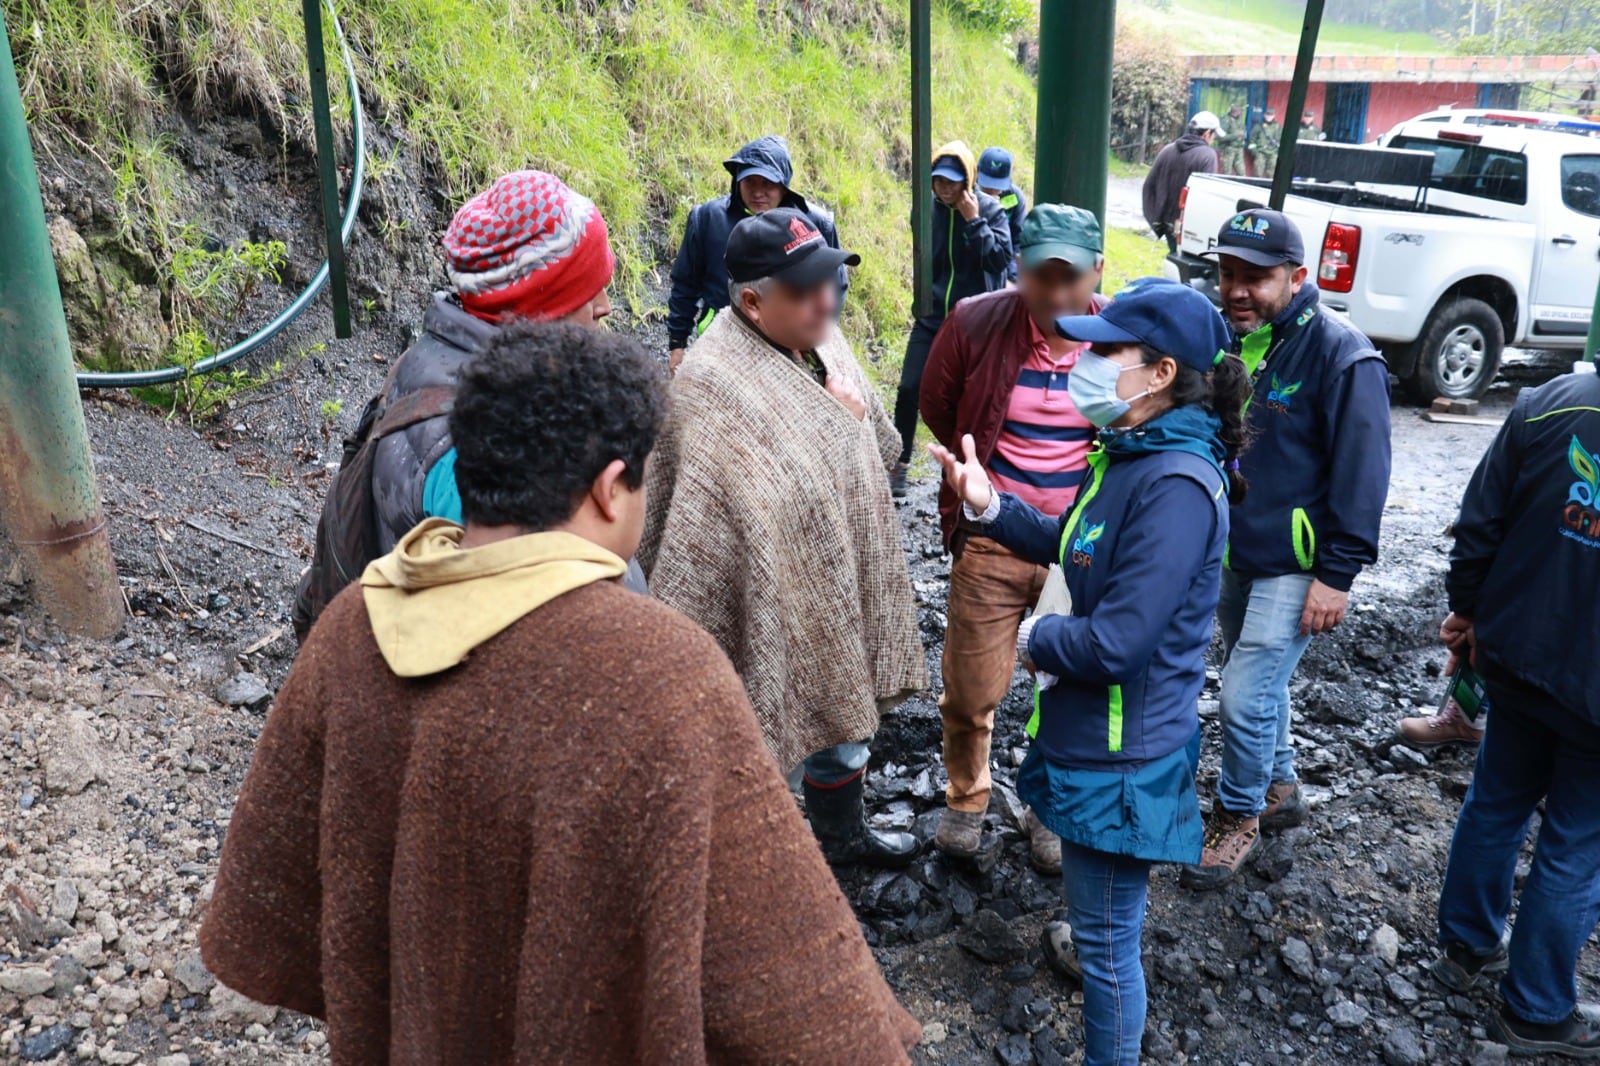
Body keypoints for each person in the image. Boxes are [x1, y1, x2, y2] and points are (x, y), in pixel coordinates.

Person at [202, 322, 922, 1064]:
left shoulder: (353, 626)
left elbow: (269, 894)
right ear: (610, 489)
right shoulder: (661, 672)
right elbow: (788, 976)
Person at [930, 278, 1250, 1066]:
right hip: (1095, 740)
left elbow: (1117, 644)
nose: (1087, 360)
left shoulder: (1175, 486)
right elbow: (1077, 542)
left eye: (1108, 349)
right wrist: (989, 505)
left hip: (1121, 760)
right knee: (1105, 930)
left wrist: (1034, 636)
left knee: (1107, 950)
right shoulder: (1128, 454)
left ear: (1161, 373)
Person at [641, 208, 928, 869]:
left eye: (830, 280)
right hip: (766, 587)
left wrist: (850, 425)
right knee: (760, 726)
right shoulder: (710, 382)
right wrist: (838, 425)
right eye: (806, 289)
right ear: (751, 301)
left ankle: (842, 838)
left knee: (843, 710)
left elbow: (870, 446)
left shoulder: (821, 336)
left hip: (831, 573)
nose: (827, 300)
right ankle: (760, 860)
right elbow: (728, 520)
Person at [293, 169, 632, 637]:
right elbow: (525, 633)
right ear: (537, 309)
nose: (605, 305)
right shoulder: (479, 447)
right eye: (587, 290)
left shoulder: (433, 358)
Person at [1181, 209, 1392, 891]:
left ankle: (1237, 815)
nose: (1237, 289)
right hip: (1234, 549)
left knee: (1243, 694)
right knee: (1259, 683)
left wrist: (1338, 574)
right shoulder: (1229, 341)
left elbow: (1364, 472)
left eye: (1256, 277)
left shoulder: (1341, 355)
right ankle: (1280, 785)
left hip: (1297, 564)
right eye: (1228, 273)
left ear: (1298, 277)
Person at [918, 203, 1108, 874]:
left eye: (1070, 277)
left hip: (1077, 551)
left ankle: (1047, 807)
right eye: (1040, 276)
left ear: (1097, 272)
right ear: (1018, 270)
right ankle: (967, 798)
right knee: (971, 689)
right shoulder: (975, 322)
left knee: (1066, 690)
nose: (1055, 293)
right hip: (992, 538)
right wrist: (978, 491)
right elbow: (938, 404)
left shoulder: (1121, 340)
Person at [1430, 367, 1600, 1058]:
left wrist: (1468, 611)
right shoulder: (1542, 405)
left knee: (1497, 801)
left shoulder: (1548, 403)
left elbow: (1480, 521)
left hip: (1518, 655)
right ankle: (1535, 1009)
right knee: (1576, 843)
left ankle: (1466, 947)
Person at [890, 141, 1014, 496]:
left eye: (953, 182)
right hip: (931, 316)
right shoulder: (927, 209)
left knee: (967, 396)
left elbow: (999, 260)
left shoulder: (989, 210)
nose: (945, 189)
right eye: (939, 181)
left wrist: (973, 221)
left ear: (968, 180)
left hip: (973, 324)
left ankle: (965, 466)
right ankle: (900, 462)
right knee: (909, 387)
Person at [667, 135, 844, 373]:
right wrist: (677, 344)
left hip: (789, 342)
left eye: (767, 183)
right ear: (737, 181)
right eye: (750, 181)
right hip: (720, 341)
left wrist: (815, 337)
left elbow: (836, 284)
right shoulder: (708, 218)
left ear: (784, 185)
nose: (758, 192)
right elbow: (686, 283)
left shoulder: (813, 224)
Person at [1142, 111, 1222, 254]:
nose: (1213, 139)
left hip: (1166, 223)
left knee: (1174, 255)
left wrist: (1156, 221)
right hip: (1190, 227)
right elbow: (1208, 195)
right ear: (1207, 133)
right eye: (1214, 135)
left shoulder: (1168, 150)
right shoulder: (1207, 155)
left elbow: (1149, 187)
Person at [977, 146, 1028, 283]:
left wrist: (1013, 279)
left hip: (1003, 265)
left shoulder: (1015, 197)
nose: (992, 190)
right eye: (987, 185)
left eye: (997, 186)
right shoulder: (968, 195)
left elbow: (1018, 241)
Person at [1249, 107, 1281, 179]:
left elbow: (1281, 140)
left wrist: (1277, 152)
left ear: (1274, 116)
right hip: (1261, 152)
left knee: (1272, 174)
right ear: (1265, 115)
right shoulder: (1258, 126)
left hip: (1273, 153)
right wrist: (1255, 152)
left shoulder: (1278, 127)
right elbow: (1251, 140)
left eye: (1271, 115)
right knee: (1258, 174)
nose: (1269, 117)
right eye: (1267, 115)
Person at [1216, 105, 1247, 175]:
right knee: (1226, 173)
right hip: (1228, 150)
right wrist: (1235, 135)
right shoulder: (1225, 120)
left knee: (1242, 173)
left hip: (1239, 150)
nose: (1241, 113)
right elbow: (1220, 137)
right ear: (1236, 112)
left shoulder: (1238, 121)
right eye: (1240, 111)